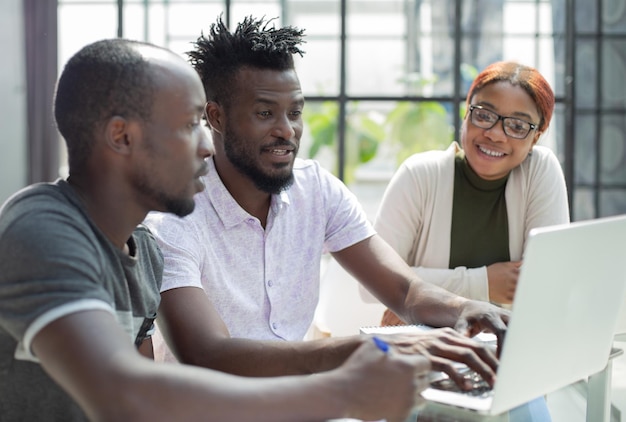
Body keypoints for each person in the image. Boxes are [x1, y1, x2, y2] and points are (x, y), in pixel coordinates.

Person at [0, 38, 432, 422]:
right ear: (122, 136)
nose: (207, 145)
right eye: (190, 126)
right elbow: (125, 394)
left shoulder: (144, 250)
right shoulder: (41, 228)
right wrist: (343, 391)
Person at [144, 15, 509, 390]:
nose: (287, 130)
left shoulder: (316, 190)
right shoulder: (172, 217)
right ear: (216, 116)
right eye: (265, 113)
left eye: (296, 112)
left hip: (304, 403)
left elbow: (405, 291)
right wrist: (373, 348)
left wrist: (463, 307)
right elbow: (208, 354)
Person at [375, 61, 570, 327]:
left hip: (510, 347)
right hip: (425, 346)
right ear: (466, 114)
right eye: (484, 115)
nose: (495, 134)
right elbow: (374, 279)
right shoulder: (418, 175)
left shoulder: (540, 170)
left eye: (517, 126)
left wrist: (413, 287)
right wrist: (484, 283)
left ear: (536, 138)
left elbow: (544, 281)